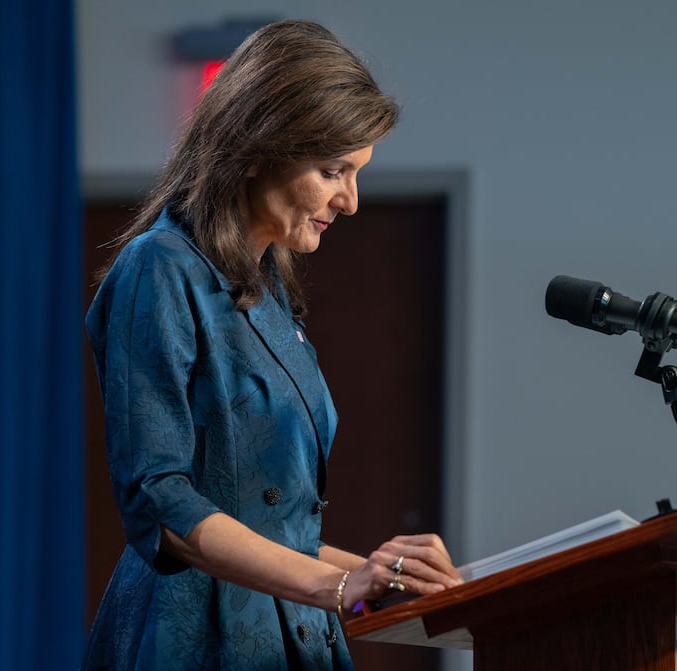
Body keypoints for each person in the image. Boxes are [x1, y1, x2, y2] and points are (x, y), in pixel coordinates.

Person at [81, 19, 462, 671]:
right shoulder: (159, 268)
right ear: (261, 146)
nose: (351, 201)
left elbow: (272, 528)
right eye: (334, 170)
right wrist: (340, 584)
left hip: (287, 632)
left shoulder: (266, 287)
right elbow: (162, 503)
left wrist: (376, 572)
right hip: (193, 641)